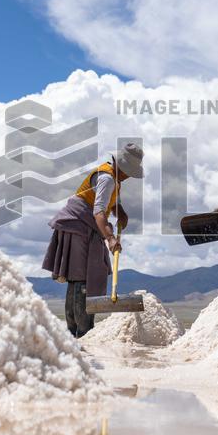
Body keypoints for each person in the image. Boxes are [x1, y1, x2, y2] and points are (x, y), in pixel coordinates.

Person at [42, 143, 144, 337]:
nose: (129, 176)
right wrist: (110, 238)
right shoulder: (107, 179)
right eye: (129, 171)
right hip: (78, 226)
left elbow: (110, 203)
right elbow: (98, 212)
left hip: (83, 227)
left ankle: (75, 332)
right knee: (82, 278)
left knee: (79, 278)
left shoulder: (114, 178)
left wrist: (120, 212)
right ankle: (82, 331)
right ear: (120, 165)